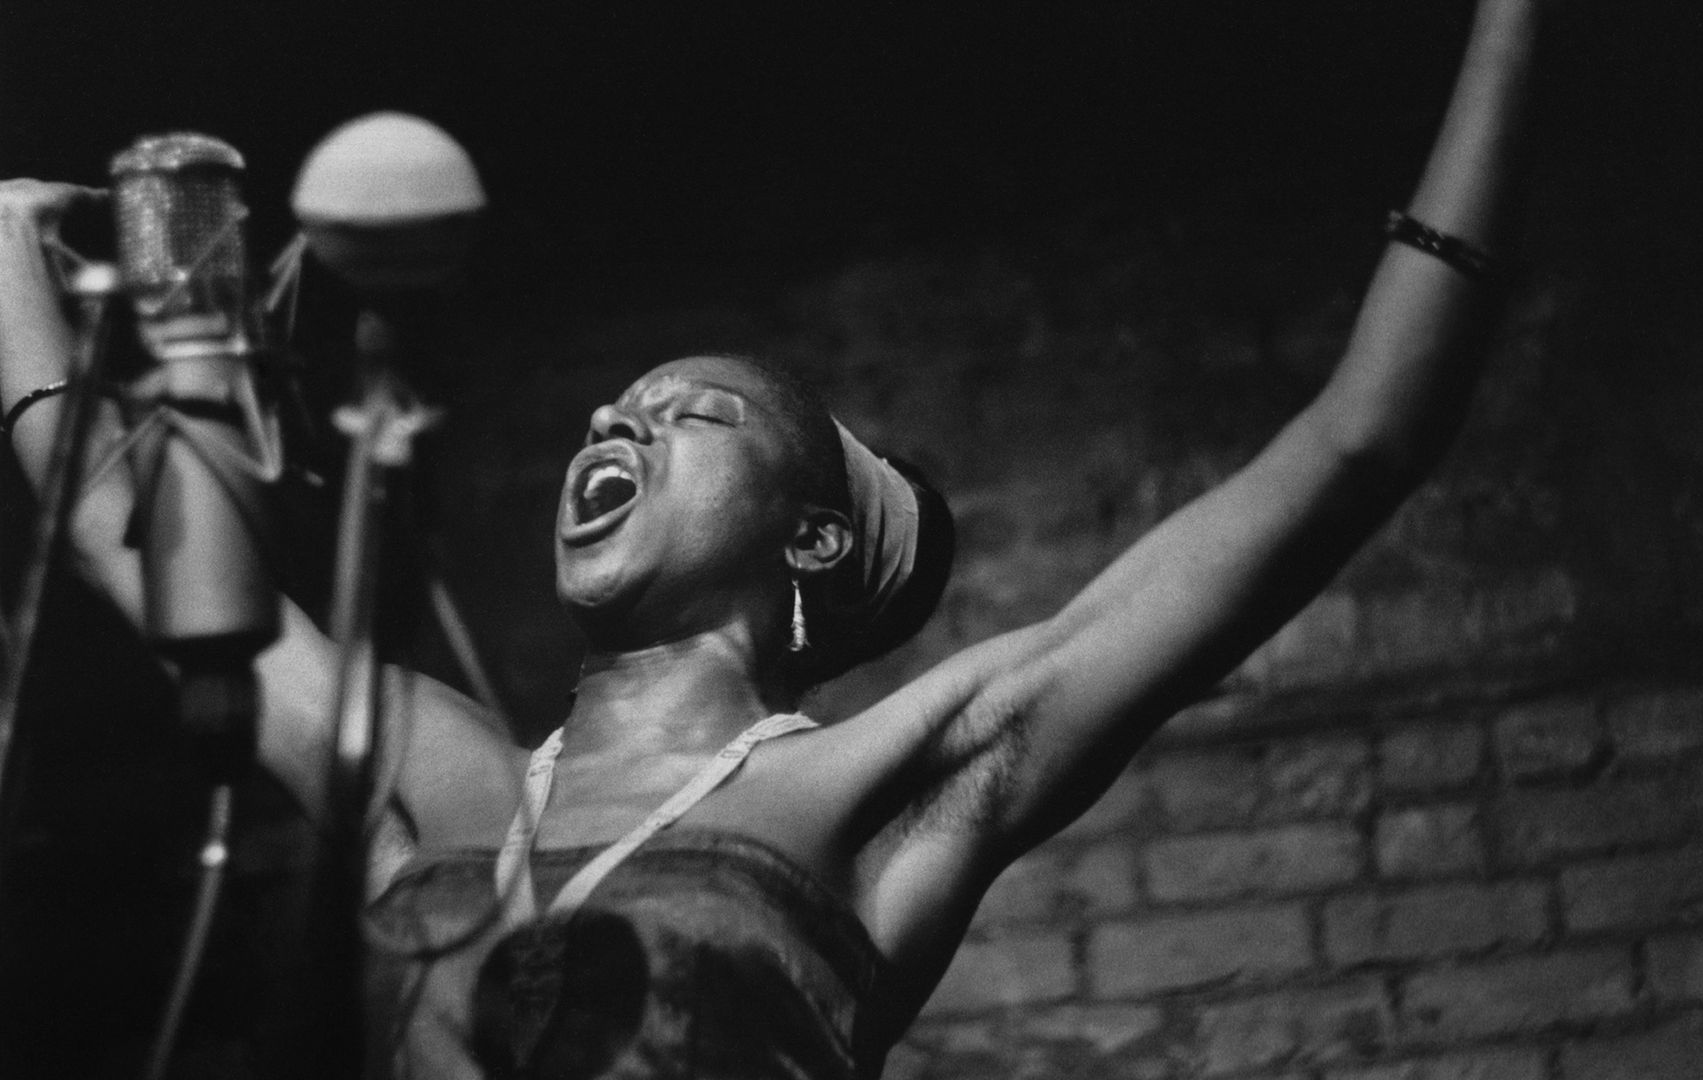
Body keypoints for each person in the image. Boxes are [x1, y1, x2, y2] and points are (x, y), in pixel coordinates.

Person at [0, 0, 1539, 1076]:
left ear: (809, 542)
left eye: (695, 415)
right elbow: (111, 525)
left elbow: (1357, 443)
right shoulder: (439, 769)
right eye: (611, 411)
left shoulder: (876, 790)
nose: (620, 427)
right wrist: (1, 243)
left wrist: (1515, 15)